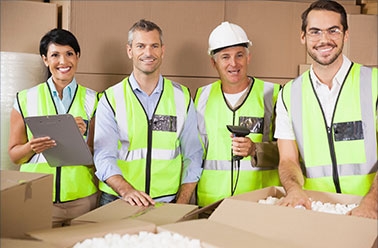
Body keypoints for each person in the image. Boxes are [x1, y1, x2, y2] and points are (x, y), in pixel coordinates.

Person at [275, 0, 377, 219]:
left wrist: (372, 203)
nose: (324, 40)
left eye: (333, 30)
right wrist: (294, 190)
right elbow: (288, 160)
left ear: (346, 34)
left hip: (370, 211)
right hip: (318, 212)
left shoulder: (374, 84)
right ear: (303, 36)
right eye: (314, 32)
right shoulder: (288, 94)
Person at [93, 19, 203, 207]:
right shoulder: (110, 99)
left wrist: (182, 201)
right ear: (130, 51)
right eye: (140, 46)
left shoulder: (182, 97)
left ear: (163, 50)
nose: (148, 53)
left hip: (168, 201)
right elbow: (103, 156)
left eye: (154, 46)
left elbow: (193, 154)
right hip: (118, 199)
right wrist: (127, 190)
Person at [8, 28, 100, 227]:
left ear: (78, 56)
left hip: (82, 200)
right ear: (45, 59)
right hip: (38, 198)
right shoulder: (24, 99)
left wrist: (79, 138)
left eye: (69, 54)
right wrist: (33, 146)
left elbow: (98, 156)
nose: (63, 62)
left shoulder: (95, 100)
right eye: (55, 55)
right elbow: (15, 155)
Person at [194, 21, 281, 207]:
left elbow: (292, 152)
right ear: (213, 62)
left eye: (239, 55)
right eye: (225, 57)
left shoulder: (273, 94)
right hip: (211, 203)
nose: (233, 63)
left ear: (248, 57)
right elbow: (193, 153)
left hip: (260, 203)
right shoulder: (202, 97)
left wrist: (254, 150)